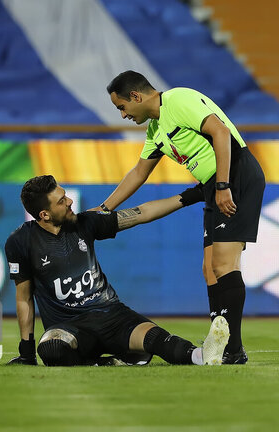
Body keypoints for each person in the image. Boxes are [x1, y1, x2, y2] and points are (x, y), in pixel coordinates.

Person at [100, 71, 266, 365]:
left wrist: (224, 185)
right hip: (214, 185)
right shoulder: (155, 130)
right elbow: (139, 172)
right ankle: (223, 345)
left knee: (224, 264)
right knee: (210, 269)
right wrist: (104, 209)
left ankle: (231, 350)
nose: (123, 115)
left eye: (122, 107)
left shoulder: (179, 99)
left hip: (234, 175)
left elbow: (222, 133)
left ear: (136, 96)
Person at [5, 174, 230, 366]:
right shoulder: (21, 241)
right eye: (62, 200)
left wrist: (194, 194)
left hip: (112, 317)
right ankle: (108, 359)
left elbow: (141, 213)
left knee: (155, 338)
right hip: (69, 327)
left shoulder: (86, 222)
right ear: (44, 214)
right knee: (51, 349)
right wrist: (26, 352)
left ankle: (201, 355)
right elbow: (24, 298)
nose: (70, 201)